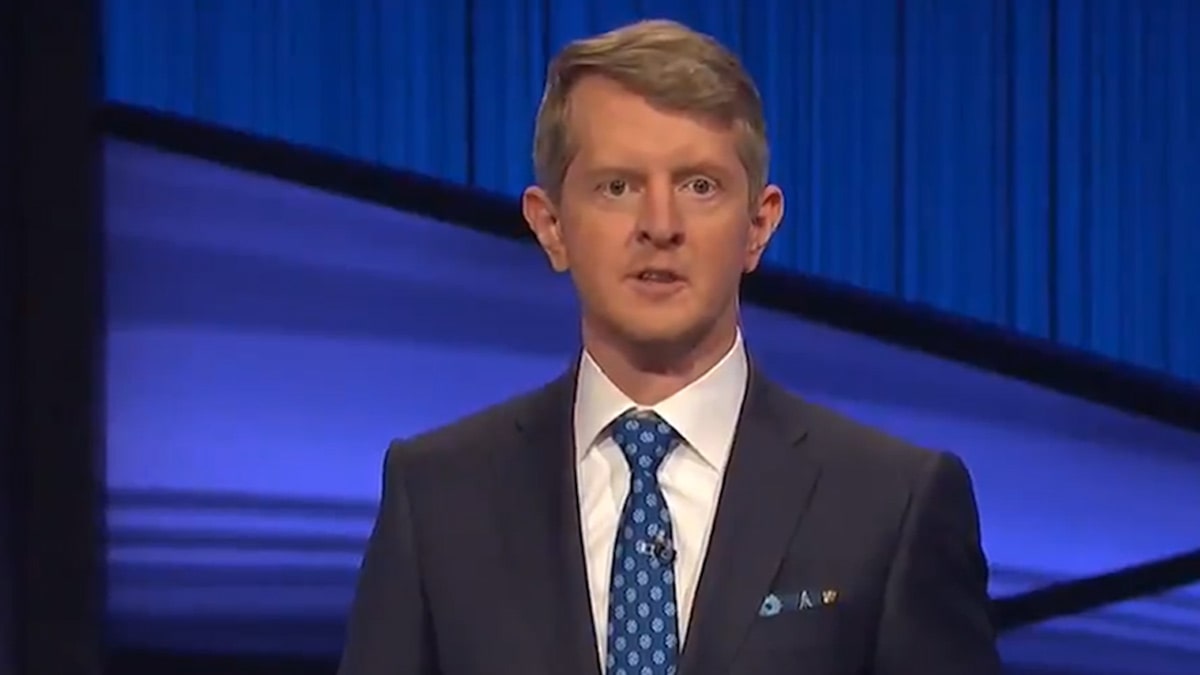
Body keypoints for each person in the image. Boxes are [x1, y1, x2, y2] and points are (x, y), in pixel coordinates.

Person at [338, 18, 1001, 675]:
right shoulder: (437, 497)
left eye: (699, 186)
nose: (660, 225)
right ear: (551, 226)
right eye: (618, 187)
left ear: (758, 225)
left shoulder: (893, 504)